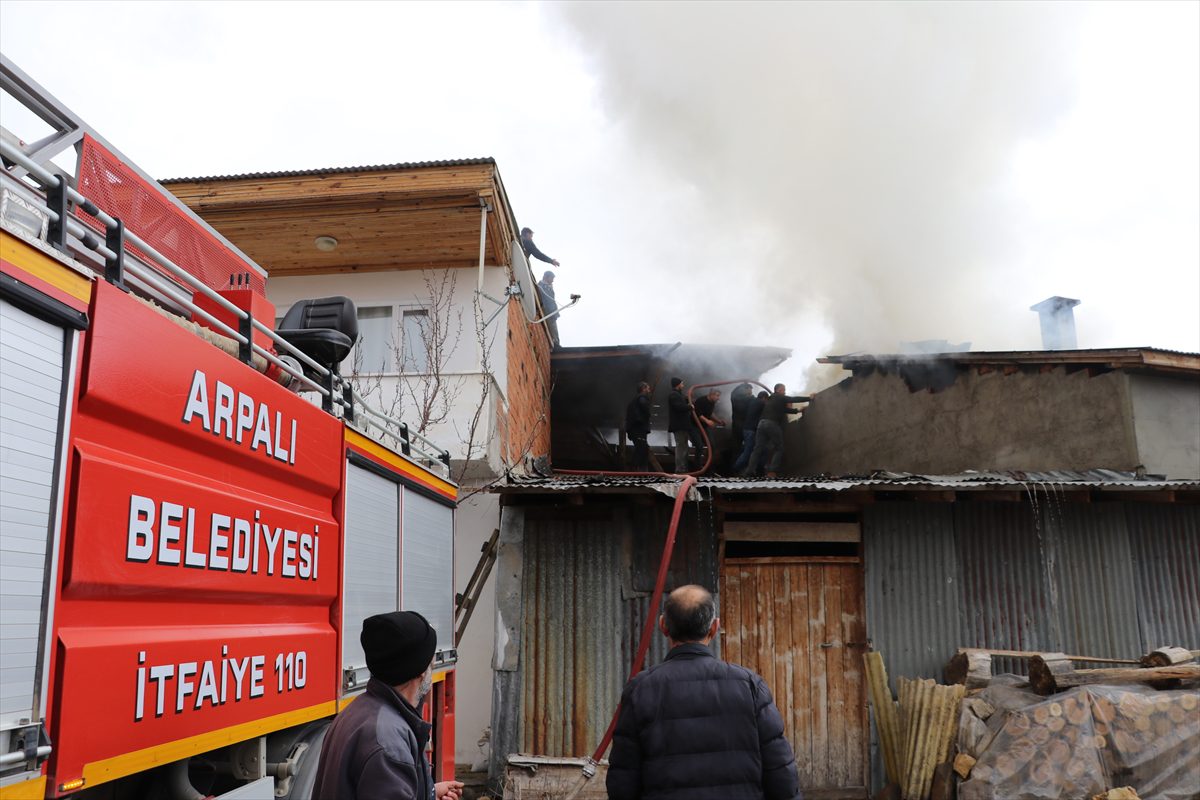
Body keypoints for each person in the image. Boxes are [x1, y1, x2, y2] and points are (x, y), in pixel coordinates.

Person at [606, 585, 801, 800]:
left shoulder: (640, 690)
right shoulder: (750, 686)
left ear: (663, 625)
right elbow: (781, 776)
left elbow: (622, 782)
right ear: (714, 628)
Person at [313, 611, 465, 800]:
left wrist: (428, 793)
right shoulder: (388, 743)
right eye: (431, 663)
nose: (432, 668)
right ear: (419, 672)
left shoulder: (359, 711)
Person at [743, 383, 811, 478]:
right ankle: (772, 471)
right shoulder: (779, 396)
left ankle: (749, 471)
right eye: (784, 390)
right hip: (771, 424)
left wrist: (797, 411)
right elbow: (792, 399)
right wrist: (809, 398)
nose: (785, 392)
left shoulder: (771, 399)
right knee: (779, 448)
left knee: (757, 449)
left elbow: (783, 409)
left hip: (761, 424)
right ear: (778, 390)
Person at [666, 378, 701, 474]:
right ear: (677, 385)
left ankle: (683, 468)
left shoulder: (678, 395)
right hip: (679, 426)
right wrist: (690, 407)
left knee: (684, 448)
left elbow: (681, 403)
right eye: (682, 384)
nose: (683, 385)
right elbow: (678, 407)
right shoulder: (673, 395)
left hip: (683, 426)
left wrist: (687, 400)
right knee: (681, 448)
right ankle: (680, 469)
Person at [732, 390, 768, 475]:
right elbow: (771, 406)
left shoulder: (753, 401)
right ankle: (736, 468)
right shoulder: (760, 402)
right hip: (751, 430)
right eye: (766, 399)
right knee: (749, 451)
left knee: (757, 450)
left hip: (748, 429)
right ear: (764, 398)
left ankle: (758, 469)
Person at [625, 381, 653, 471]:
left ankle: (642, 471)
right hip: (638, 428)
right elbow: (643, 405)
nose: (649, 389)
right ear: (643, 389)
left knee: (643, 449)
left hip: (636, 429)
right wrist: (647, 414)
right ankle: (633, 470)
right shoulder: (641, 397)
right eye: (648, 388)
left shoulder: (633, 401)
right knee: (641, 448)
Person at [536, 271, 560, 347]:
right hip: (547, 310)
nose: (552, 280)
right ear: (546, 277)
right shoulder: (540, 286)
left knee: (554, 329)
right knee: (552, 328)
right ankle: (555, 344)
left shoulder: (548, 287)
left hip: (552, 311)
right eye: (552, 278)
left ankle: (556, 343)